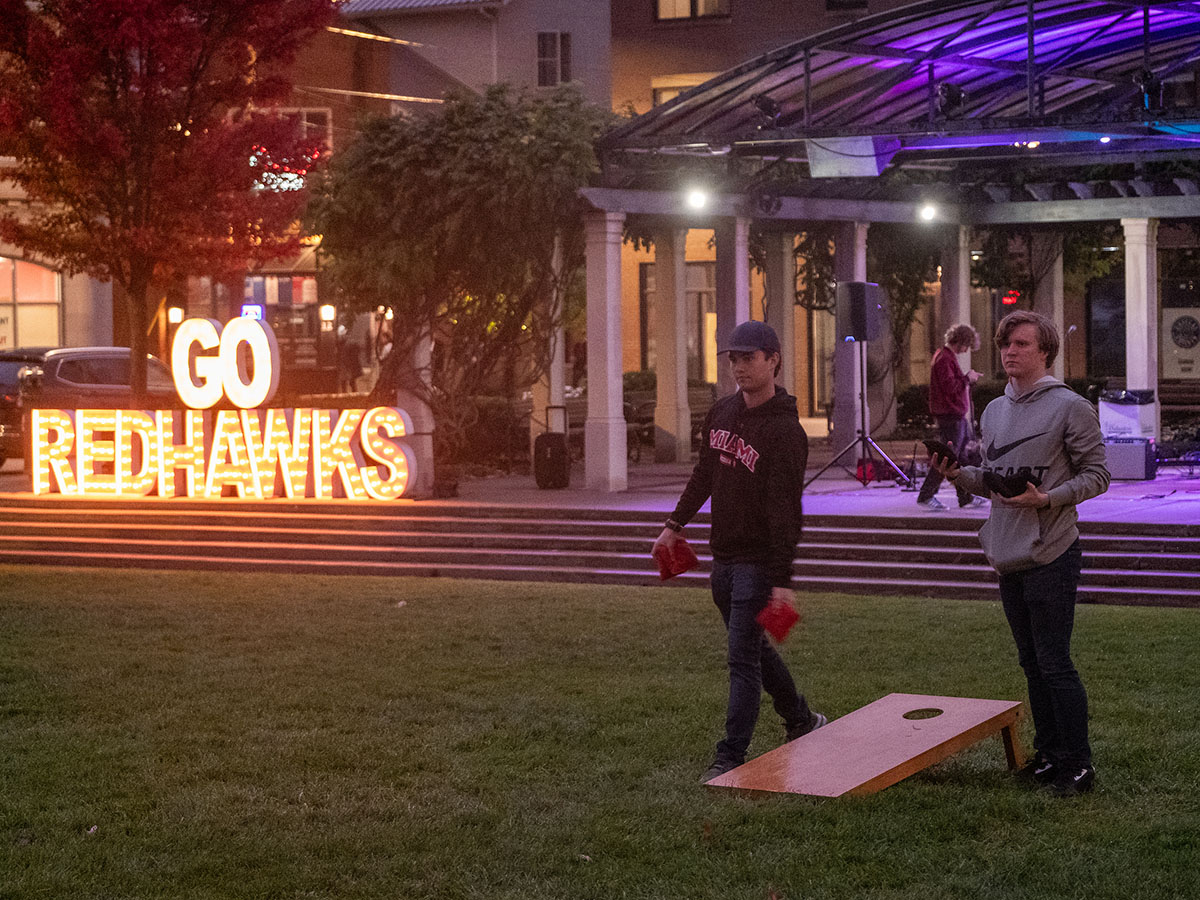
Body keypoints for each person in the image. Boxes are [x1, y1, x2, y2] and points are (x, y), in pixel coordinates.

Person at [931, 310, 1110, 797]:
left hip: (1052, 550)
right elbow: (994, 483)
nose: (1010, 351)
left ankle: (1079, 763)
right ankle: (1049, 755)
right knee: (1031, 663)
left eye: (1022, 344)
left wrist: (1047, 499)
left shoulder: (1070, 407)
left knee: (1055, 663)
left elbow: (1098, 475)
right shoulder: (992, 411)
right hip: (1006, 552)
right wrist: (954, 474)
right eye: (1006, 343)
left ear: (1045, 352)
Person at [652, 320, 825, 783]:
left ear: (774, 360)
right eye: (734, 358)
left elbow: (786, 511)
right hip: (722, 557)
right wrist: (674, 526)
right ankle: (802, 720)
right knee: (751, 648)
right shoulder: (723, 412)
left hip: (757, 561)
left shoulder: (786, 432)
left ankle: (730, 754)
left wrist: (782, 579)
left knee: (740, 659)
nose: (739, 366)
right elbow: (704, 475)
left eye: (749, 357)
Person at [918, 323, 983, 510]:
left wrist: (965, 379)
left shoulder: (945, 357)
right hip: (950, 415)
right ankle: (926, 495)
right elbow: (950, 388)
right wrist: (967, 379)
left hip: (953, 415)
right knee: (947, 457)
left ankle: (966, 498)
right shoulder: (945, 359)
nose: (966, 350)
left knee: (960, 457)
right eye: (967, 345)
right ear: (961, 341)